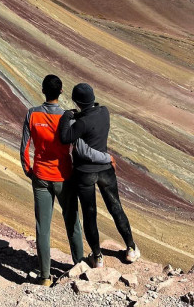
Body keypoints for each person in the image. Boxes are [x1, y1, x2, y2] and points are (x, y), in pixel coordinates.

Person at [20, 74, 109, 286]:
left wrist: (29, 169)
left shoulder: (32, 114)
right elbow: (78, 146)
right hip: (64, 175)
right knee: (73, 222)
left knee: (43, 226)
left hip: (40, 175)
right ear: (61, 92)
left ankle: (44, 276)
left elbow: (24, 146)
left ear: (43, 90)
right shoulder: (68, 117)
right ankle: (78, 264)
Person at [59, 83, 140, 268]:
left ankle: (97, 257)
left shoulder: (80, 123)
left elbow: (65, 137)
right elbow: (90, 118)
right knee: (116, 208)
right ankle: (131, 248)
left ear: (76, 102)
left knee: (90, 215)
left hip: (85, 173)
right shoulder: (105, 112)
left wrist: (67, 116)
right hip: (105, 170)